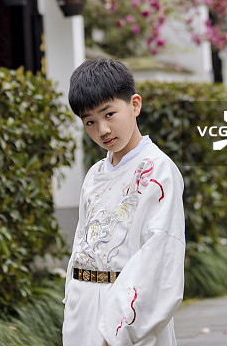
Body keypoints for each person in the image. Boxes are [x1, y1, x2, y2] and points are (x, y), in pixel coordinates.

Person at [62, 57, 185, 346]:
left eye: (109, 114)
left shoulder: (157, 170)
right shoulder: (94, 175)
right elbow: (81, 241)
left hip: (127, 313)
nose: (102, 130)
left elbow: (159, 255)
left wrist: (118, 330)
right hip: (83, 308)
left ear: (134, 105)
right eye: (90, 121)